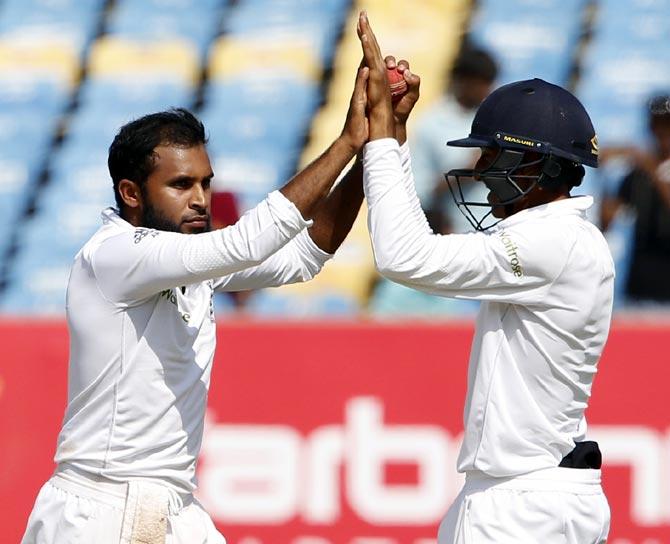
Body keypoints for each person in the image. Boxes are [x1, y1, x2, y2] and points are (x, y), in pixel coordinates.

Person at [21, 59, 370, 544]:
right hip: (102, 507)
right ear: (131, 193)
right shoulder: (114, 255)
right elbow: (245, 243)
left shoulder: (191, 263)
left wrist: (372, 151)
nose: (201, 199)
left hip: (175, 507)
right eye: (181, 185)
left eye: (205, 182)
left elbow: (307, 256)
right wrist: (346, 143)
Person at [356, 11, 613, 543]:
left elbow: (404, 257)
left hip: (524, 504)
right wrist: (399, 135)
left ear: (539, 167)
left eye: (496, 155)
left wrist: (380, 137)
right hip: (523, 495)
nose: (480, 170)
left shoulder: (553, 242)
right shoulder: (561, 237)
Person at [410, 43, 498, 234]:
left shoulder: (501, 118)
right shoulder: (431, 123)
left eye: (489, 83)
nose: (487, 90)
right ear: (462, 80)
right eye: (481, 83)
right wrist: (468, 171)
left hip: (504, 235)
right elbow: (420, 193)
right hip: (456, 238)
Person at [600, 93, 670, 302]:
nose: (661, 132)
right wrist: (606, 177)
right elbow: (606, 223)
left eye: (667, 125)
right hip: (642, 281)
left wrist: (653, 171)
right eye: (657, 124)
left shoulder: (648, 168)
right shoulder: (638, 174)